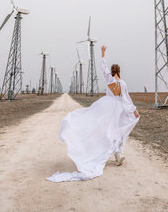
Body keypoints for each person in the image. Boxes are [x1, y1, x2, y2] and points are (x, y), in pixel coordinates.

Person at [47, 45, 140, 182]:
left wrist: (103, 53)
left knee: (101, 129)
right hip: (117, 109)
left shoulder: (109, 79)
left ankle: (110, 153)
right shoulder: (123, 84)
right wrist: (134, 111)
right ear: (119, 71)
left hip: (105, 106)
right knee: (117, 131)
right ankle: (118, 153)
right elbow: (126, 99)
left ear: (112, 71)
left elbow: (103, 67)